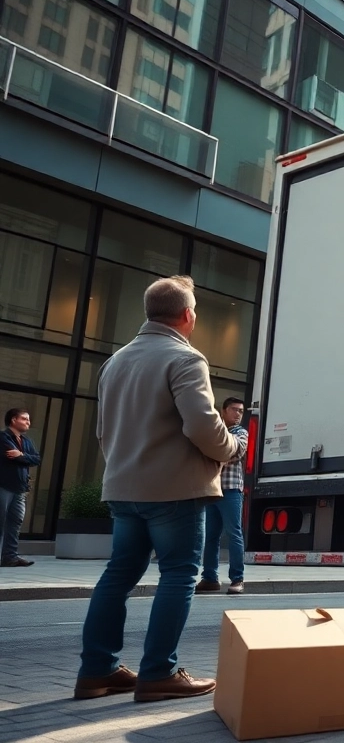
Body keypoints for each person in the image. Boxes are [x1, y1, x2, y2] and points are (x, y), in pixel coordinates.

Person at [76, 275, 244, 702]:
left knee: (117, 576)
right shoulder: (185, 359)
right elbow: (204, 426)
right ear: (188, 315)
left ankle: (97, 672)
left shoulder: (114, 362)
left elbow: (102, 432)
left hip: (122, 488)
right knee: (180, 574)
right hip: (175, 490)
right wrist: (231, 450)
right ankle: (158, 674)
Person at [198, 397, 249, 595]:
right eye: (234, 410)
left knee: (234, 534)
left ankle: (237, 579)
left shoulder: (240, 432)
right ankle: (209, 578)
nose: (238, 414)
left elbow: (233, 453)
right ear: (224, 410)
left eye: (241, 411)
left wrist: (212, 456)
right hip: (211, 489)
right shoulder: (214, 430)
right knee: (210, 537)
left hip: (231, 489)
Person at [1, 408, 40, 567]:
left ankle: (10, 557)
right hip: (3, 486)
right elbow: (11, 455)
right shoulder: (3, 438)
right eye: (25, 419)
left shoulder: (27, 441)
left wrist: (21, 455)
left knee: (15, 522)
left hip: (19, 488)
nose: (28, 423)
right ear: (13, 420)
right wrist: (24, 458)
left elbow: (36, 459)